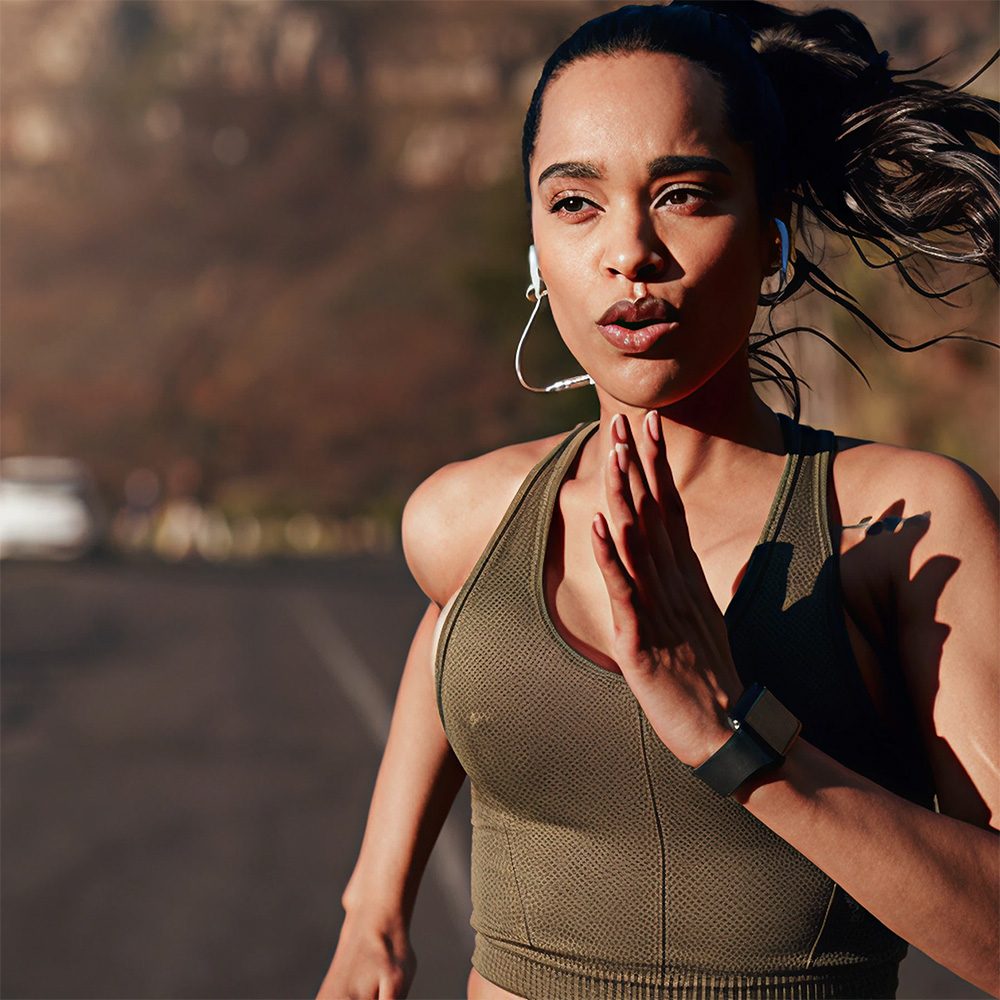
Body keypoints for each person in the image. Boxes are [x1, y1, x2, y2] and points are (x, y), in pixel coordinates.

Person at [317, 3, 999, 998]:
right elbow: (457, 633)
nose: (628, 250)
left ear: (768, 236)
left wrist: (735, 734)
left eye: (683, 195)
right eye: (575, 203)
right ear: (534, 251)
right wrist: (372, 914)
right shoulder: (467, 518)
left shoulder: (904, 527)